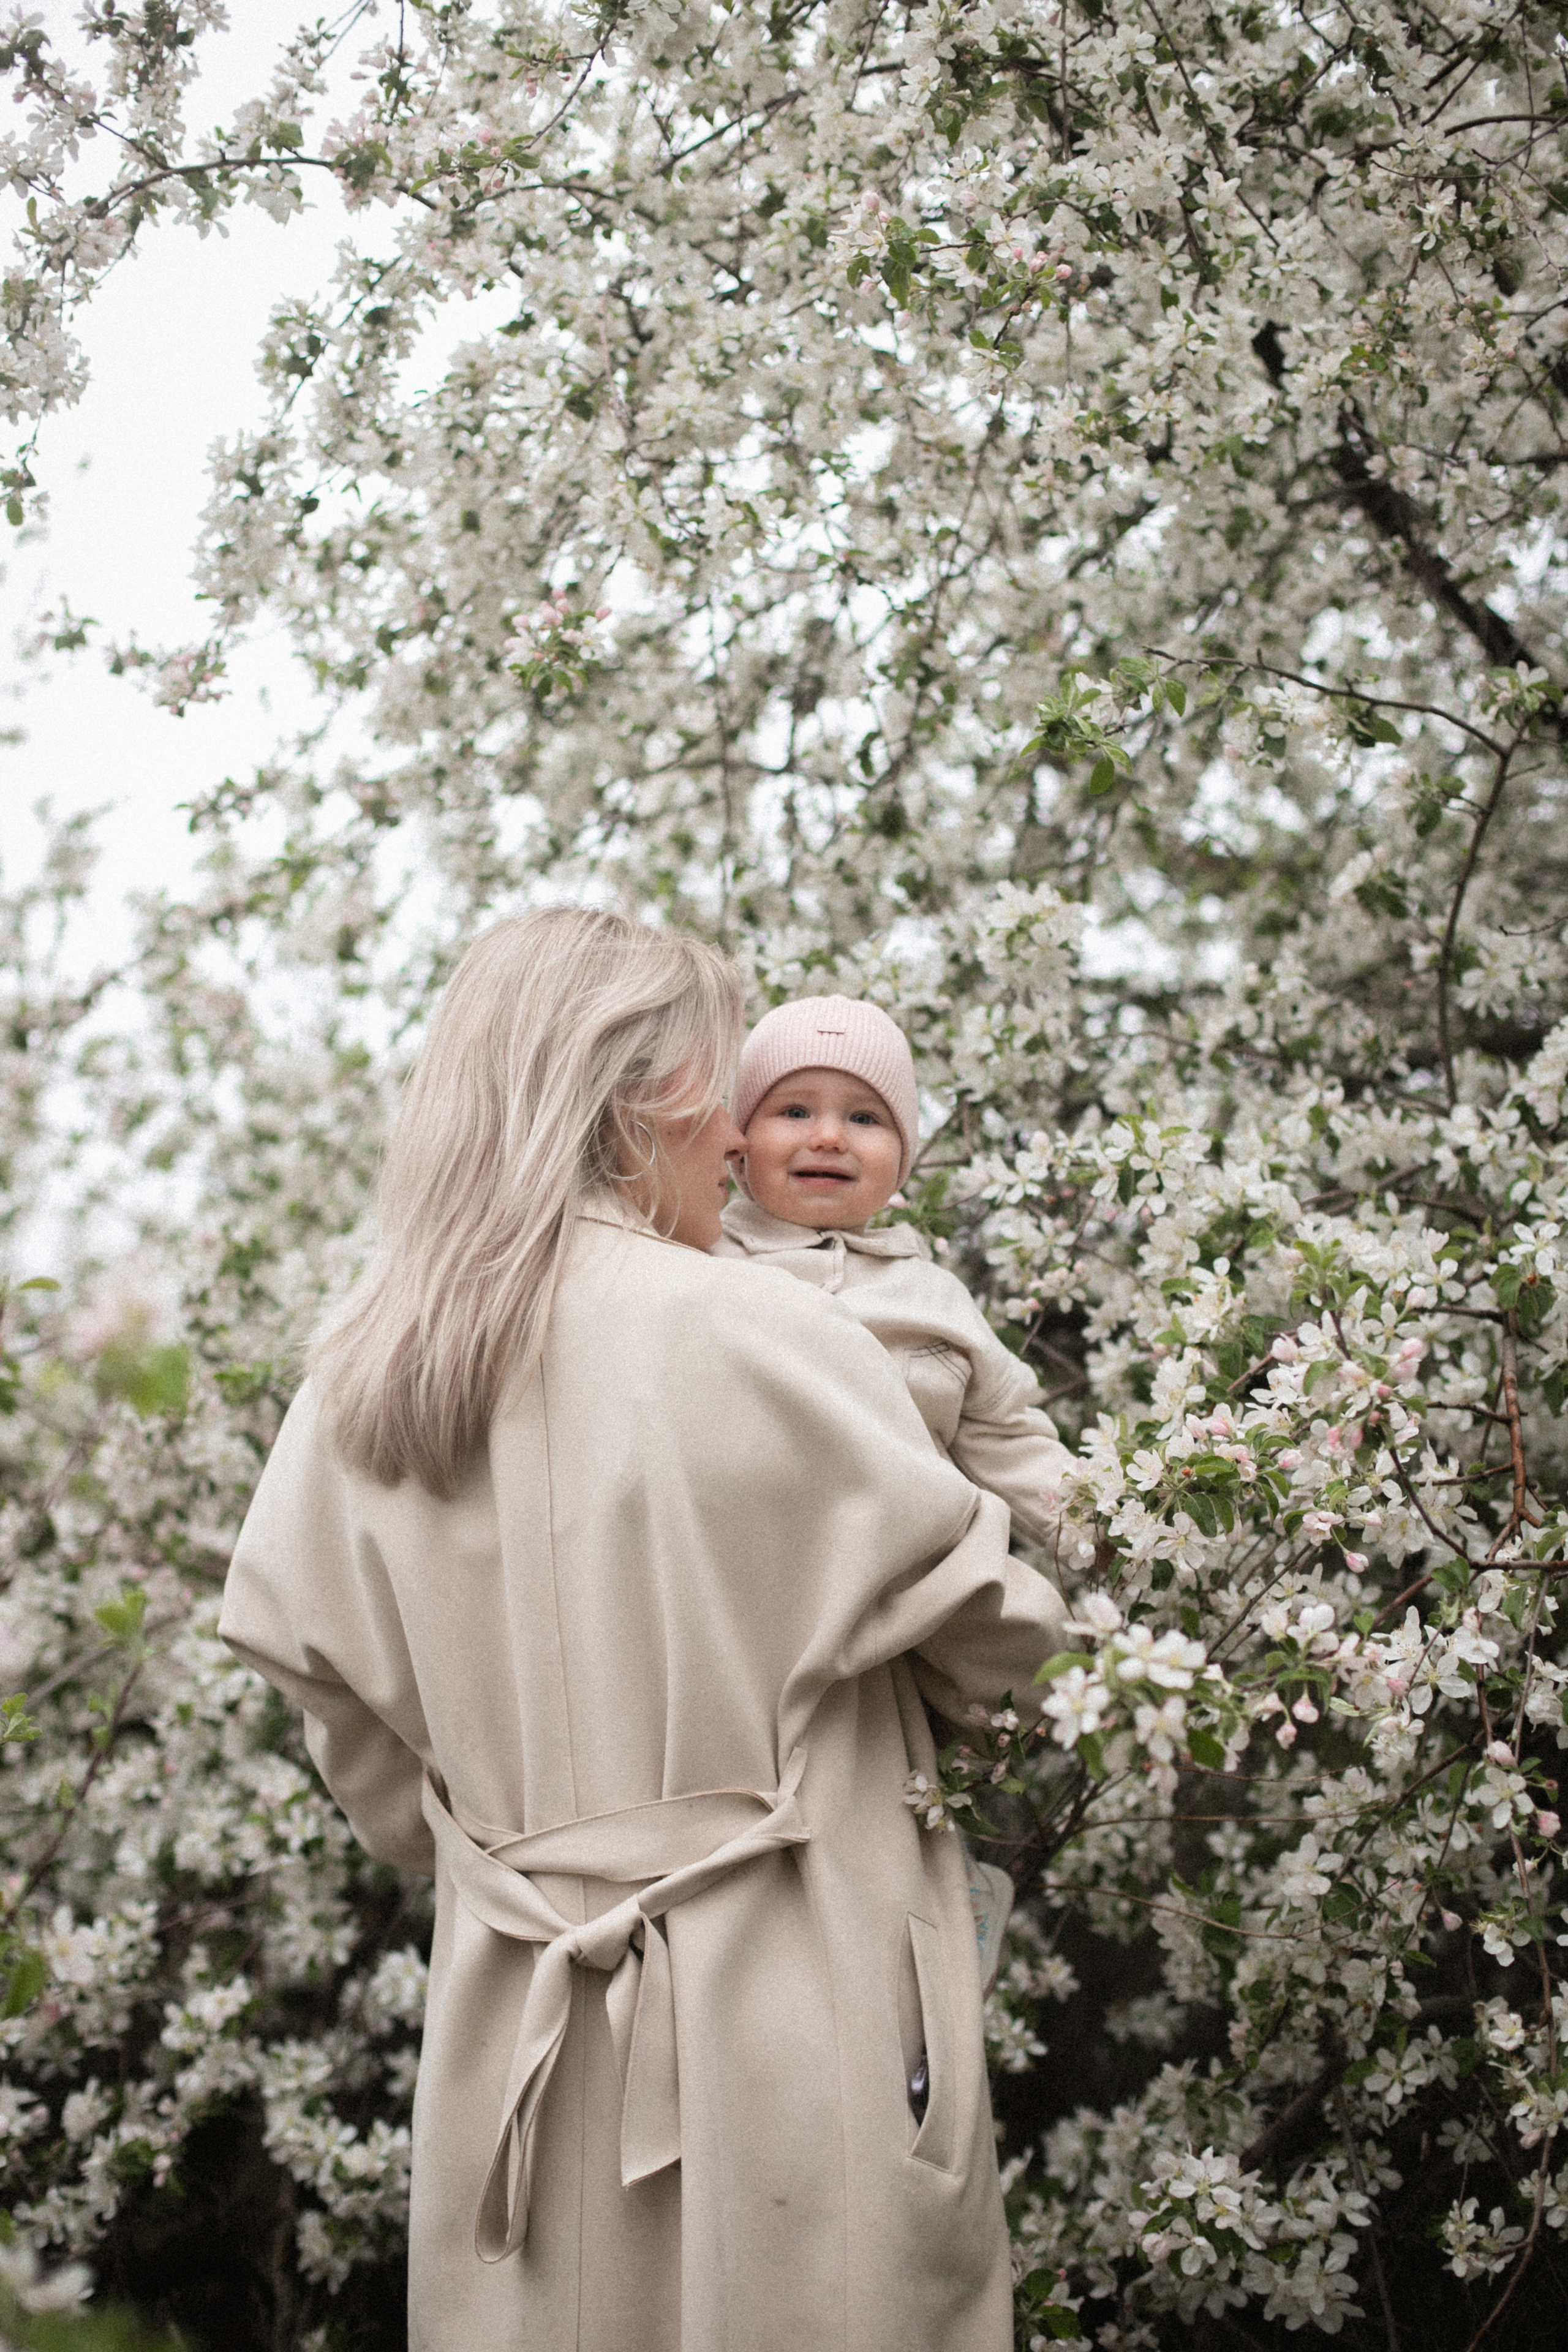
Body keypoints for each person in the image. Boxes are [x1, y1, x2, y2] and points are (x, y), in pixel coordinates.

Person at [218, 910, 1066, 2352]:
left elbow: (367, 1768)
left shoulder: (362, 1379)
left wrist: (539, 1833)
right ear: (627, 1101)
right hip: (796, 1994)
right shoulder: (767, 1334)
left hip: (518, 2014)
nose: (737, 1141)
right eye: (712, 1090)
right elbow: (996, 1635)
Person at [713, 993, 1073, 1550]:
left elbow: (1006, 1438)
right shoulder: (704, 1259)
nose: (829, 1137)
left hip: (901, 1585)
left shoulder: (932, 1296)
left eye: (864, 1118)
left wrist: (1099, 1530)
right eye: (794, 1112)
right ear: (739, 1145)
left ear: (903, 1156)